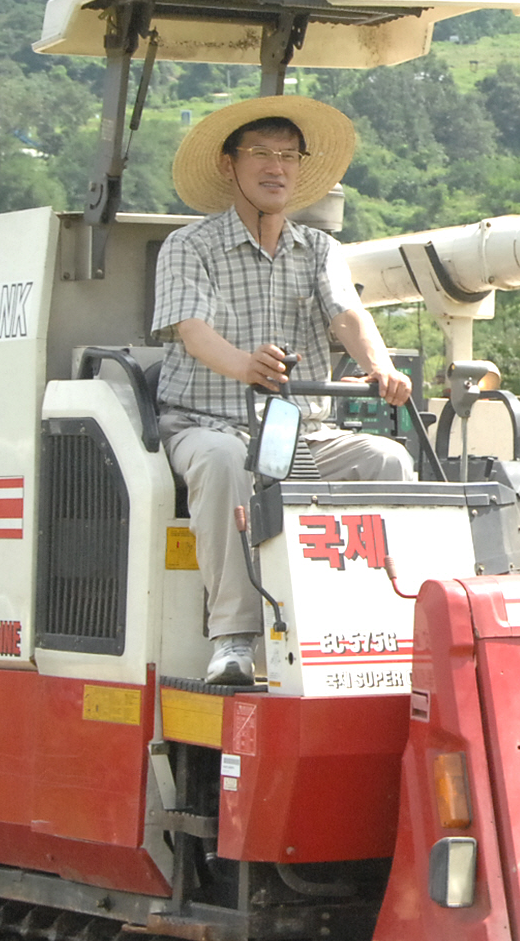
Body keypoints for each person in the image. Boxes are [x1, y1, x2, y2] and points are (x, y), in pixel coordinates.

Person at [153, 95, 414, 685]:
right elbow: (194, 334)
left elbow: (347, 313)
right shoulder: (189, 247)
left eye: (288, 156)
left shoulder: (319, 248)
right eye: (261, 154)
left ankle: (377, 621)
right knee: (223, 463)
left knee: (387, 458)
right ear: (229, 165)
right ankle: (233, 639)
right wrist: (246, 365)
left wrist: (378, 364)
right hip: (208, 421)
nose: (277, 168)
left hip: (303, 429)